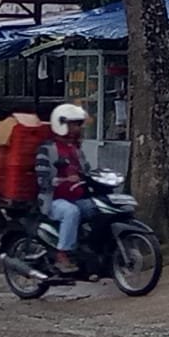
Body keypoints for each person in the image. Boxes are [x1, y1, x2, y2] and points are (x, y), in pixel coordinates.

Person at [35, 103, 97, 274]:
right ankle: (62, 254)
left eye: (78, 124)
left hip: (77, 198)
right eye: (73, 124)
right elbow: (42, 179)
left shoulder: (76, 150)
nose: (77, 128)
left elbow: (86, 171)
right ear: (62, 124)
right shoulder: (47, 149)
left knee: (99, 207)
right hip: (53, 201)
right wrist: (63, 180)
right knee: (71, 212)